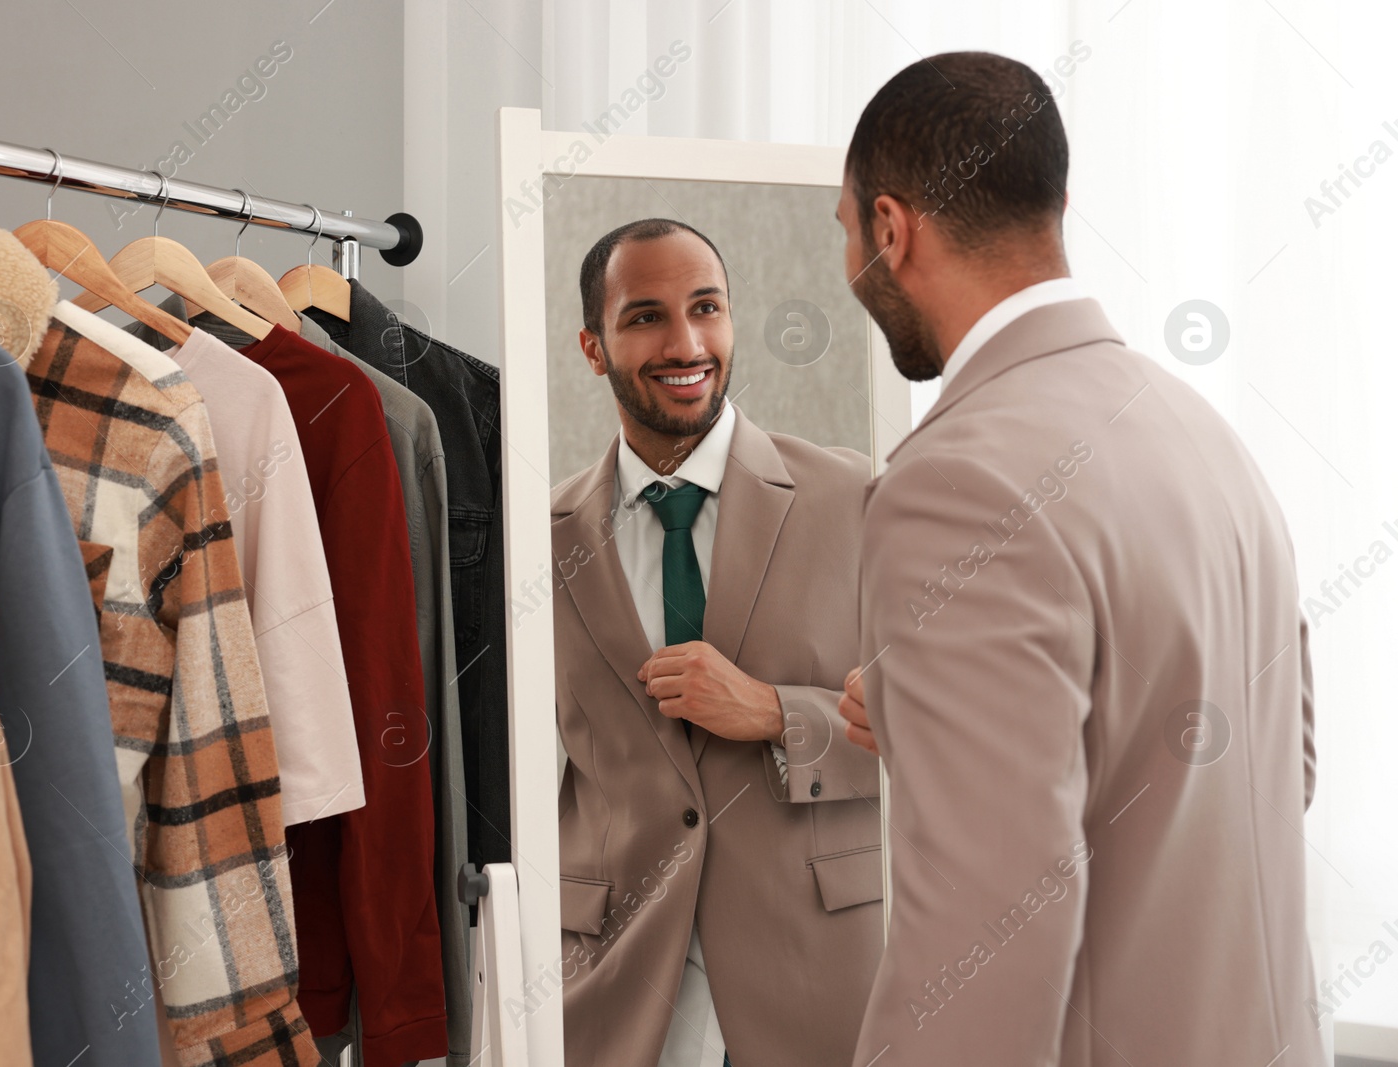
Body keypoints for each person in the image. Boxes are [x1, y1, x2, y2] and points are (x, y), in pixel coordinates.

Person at [833, 51, 1321, 1065]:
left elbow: (981, 943)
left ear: (891, 228)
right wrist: (968, 724)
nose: (850, 270)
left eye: (846, 235)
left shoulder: (953, 484)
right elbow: (1281, 762)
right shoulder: (1201, 432)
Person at [551, 217, 885, 1067]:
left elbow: (943, 730)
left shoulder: (851, 495)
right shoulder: (540, 536)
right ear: (593, 347)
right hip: (614, 976)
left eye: (707, 307)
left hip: (816, 968)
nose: (686, 341)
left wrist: (777, 713)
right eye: (645, 317)